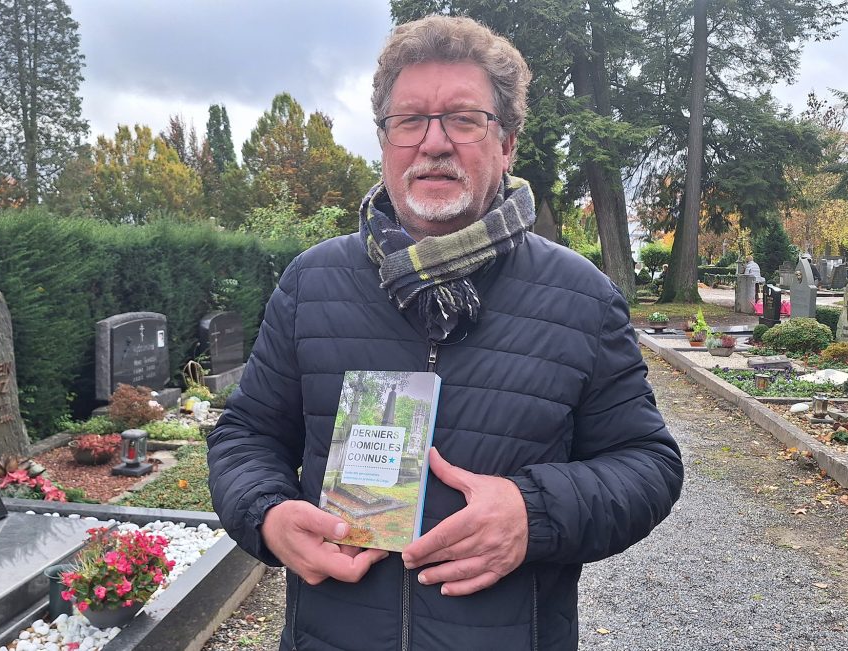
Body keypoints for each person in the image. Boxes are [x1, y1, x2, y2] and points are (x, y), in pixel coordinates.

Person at [208, 15, 683, 651]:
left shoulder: (582, 299)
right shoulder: (310, 284)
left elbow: (648, 464)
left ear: (506, 144)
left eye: (463, 119)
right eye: (409, 120)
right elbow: (247, 435)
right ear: (385, 141)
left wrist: (533, 512)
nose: (434, 143)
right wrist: (266, 514)